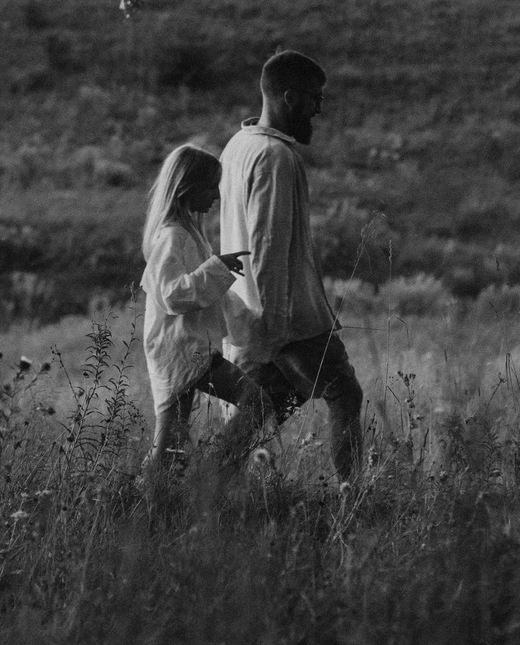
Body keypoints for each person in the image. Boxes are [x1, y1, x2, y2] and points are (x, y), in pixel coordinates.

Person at [209, 49, 365, 485]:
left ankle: (208, 485)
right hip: (289, 317)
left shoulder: (238, 146)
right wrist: (273, 327)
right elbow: (267, 246)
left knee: (269, 405)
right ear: (290, 98)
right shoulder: (277, 158)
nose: (319, 108)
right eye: (315, 98)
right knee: (344, 394)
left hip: (251, 311)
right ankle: (351, 495)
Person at [137, 143, 249, 472]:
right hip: (183, 350)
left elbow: (209, 296)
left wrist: (250, 320)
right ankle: (212, 473)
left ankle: (147, 505)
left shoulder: (190, 235)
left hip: (190, 347)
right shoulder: (172, 237)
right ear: (187, 187)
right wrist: (216, 268)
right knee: (255, 401)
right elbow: (172, 295)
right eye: (211, 186)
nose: (216, 196)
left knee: (171, 443)